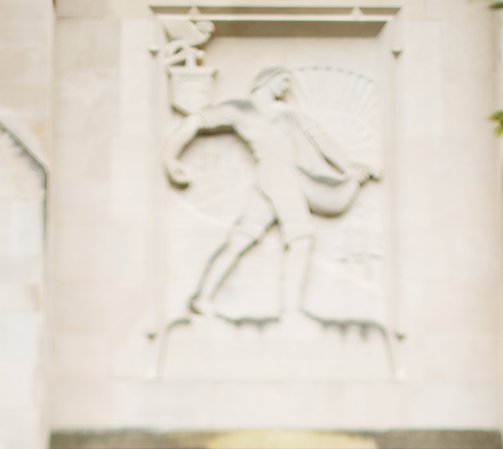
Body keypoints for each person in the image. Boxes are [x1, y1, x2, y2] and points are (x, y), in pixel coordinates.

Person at [162, 65, 380, 318]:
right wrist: (170, 157)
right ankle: (291, 311)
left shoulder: (289, 113)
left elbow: (322, 141)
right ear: (268, 80)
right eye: (283, 80)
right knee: (301, 237)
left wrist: (350, 167)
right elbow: (196, 121)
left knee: (242, 237)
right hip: (277, 176)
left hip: (284, 177)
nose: (287, 86)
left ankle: (202, 298)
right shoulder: (241, 110)